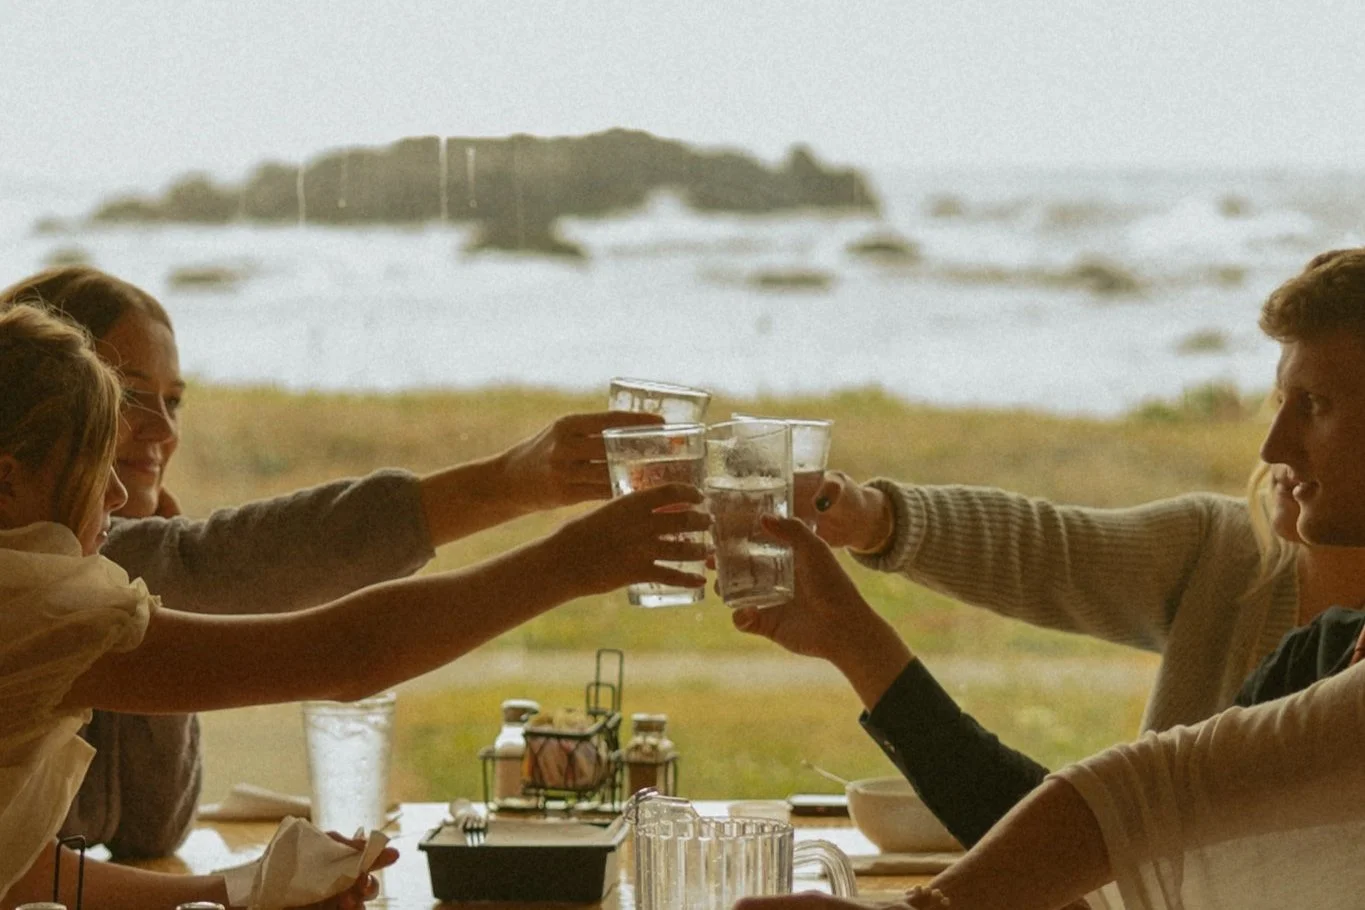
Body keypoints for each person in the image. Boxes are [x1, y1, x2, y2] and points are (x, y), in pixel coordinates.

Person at [0, 302, 709, 909]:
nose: (119, 500)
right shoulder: (37, 609)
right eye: (95, 469)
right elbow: (346, 655)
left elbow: (19, 865)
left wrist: (235, 889)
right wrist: (570, 562)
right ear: (7, 481)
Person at [736, 248, 1365, 909]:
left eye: (1315, 404)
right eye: (1279, 401)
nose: (1270, 448)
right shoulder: (1316, 648)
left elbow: (1140, 804)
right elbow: (1104, 853)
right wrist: (856, 624)